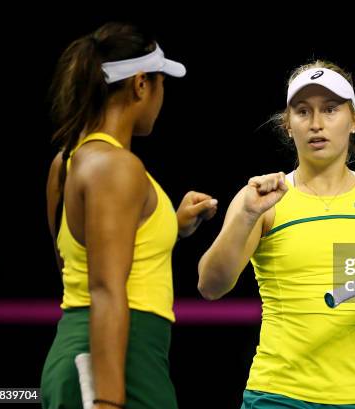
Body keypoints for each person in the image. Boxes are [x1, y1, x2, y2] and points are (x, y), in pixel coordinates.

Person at [198, 60, 355, 408]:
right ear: (288, 125)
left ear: (353, 120)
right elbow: (210, 286)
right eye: (302, 111)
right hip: (277, 395)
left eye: (330, 110)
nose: (316, 124)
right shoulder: (260, 199)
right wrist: (247, 215)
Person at [41, 22, 217, 409]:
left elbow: (81, 264)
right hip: (117, 364)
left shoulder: (67, 160)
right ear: (141, 84)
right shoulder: (117, 167)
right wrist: (108, 399)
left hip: (88, 354)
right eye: (161, 83)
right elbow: (103, 287)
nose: (161, 96)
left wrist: (171, 223)